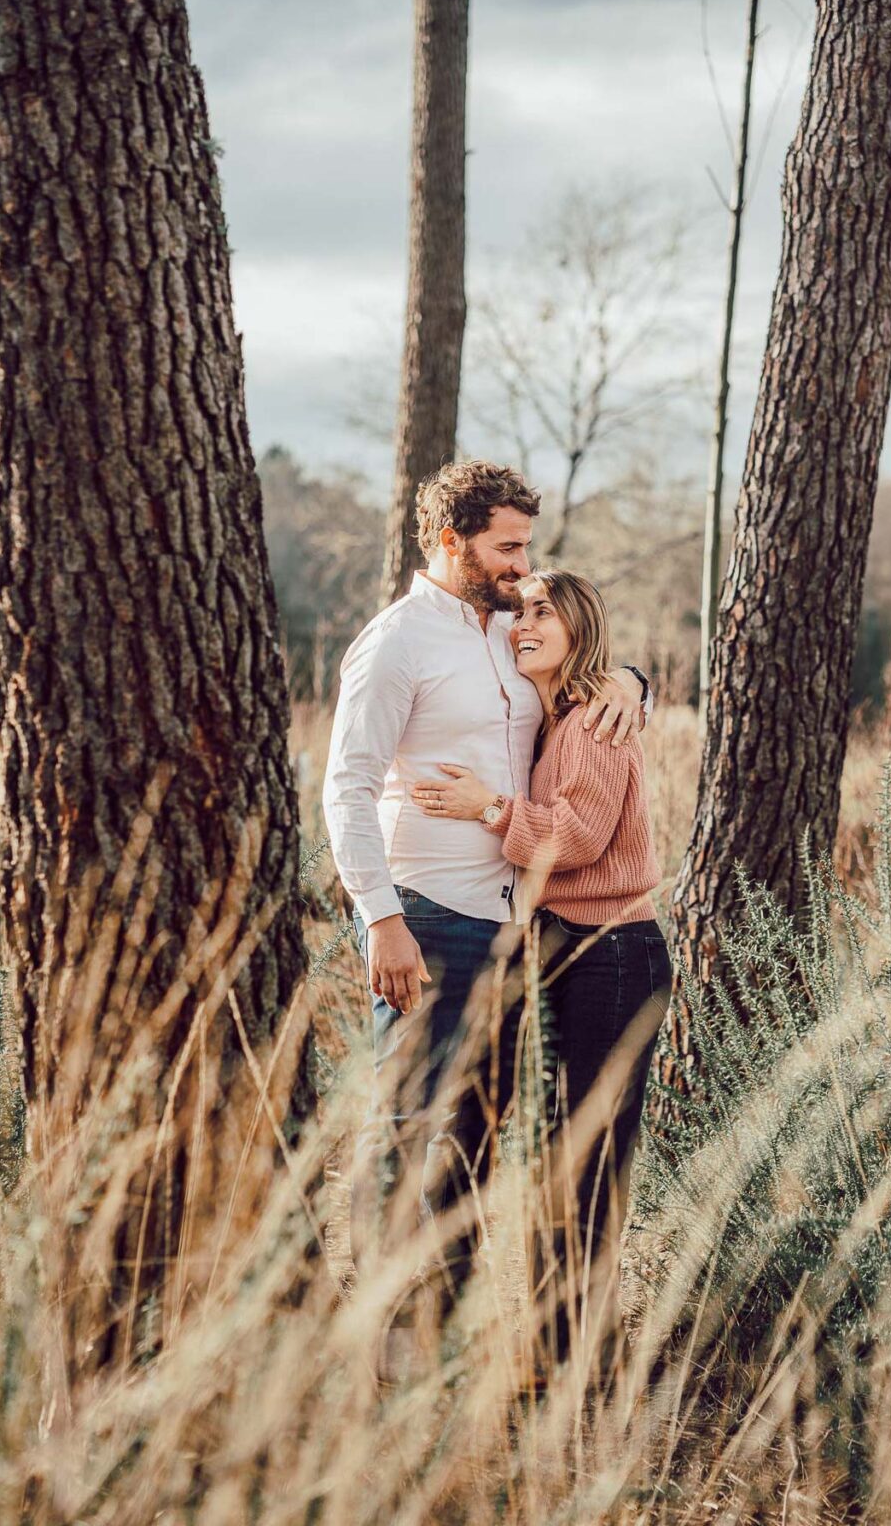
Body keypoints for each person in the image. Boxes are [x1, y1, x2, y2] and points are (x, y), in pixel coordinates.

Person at [322, 462, 651, 1363]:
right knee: (411, 1123)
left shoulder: (508, 623)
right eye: (506, 547)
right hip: (429, 917)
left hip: (518, 927)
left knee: (474, 1132)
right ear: (449, 541)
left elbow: (585, 653)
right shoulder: (396, 644)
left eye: (526, 546)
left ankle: (443, 1322)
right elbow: (345, 787)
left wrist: (630, 681)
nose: (521, 565)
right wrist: (380, 918)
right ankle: (389, 1336)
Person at [412, 568, 671, 1381]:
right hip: (562, 948)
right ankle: (548, 1351)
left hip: (610, 956)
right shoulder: (565, 710)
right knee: (554, 1150)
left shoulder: (591, 722)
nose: (524, 625)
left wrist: (488, 809)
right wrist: (637, 680)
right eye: (518, 613)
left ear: (579, 625)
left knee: (585, 1160)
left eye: (543, 613)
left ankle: (575, 1367)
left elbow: (580, 838)